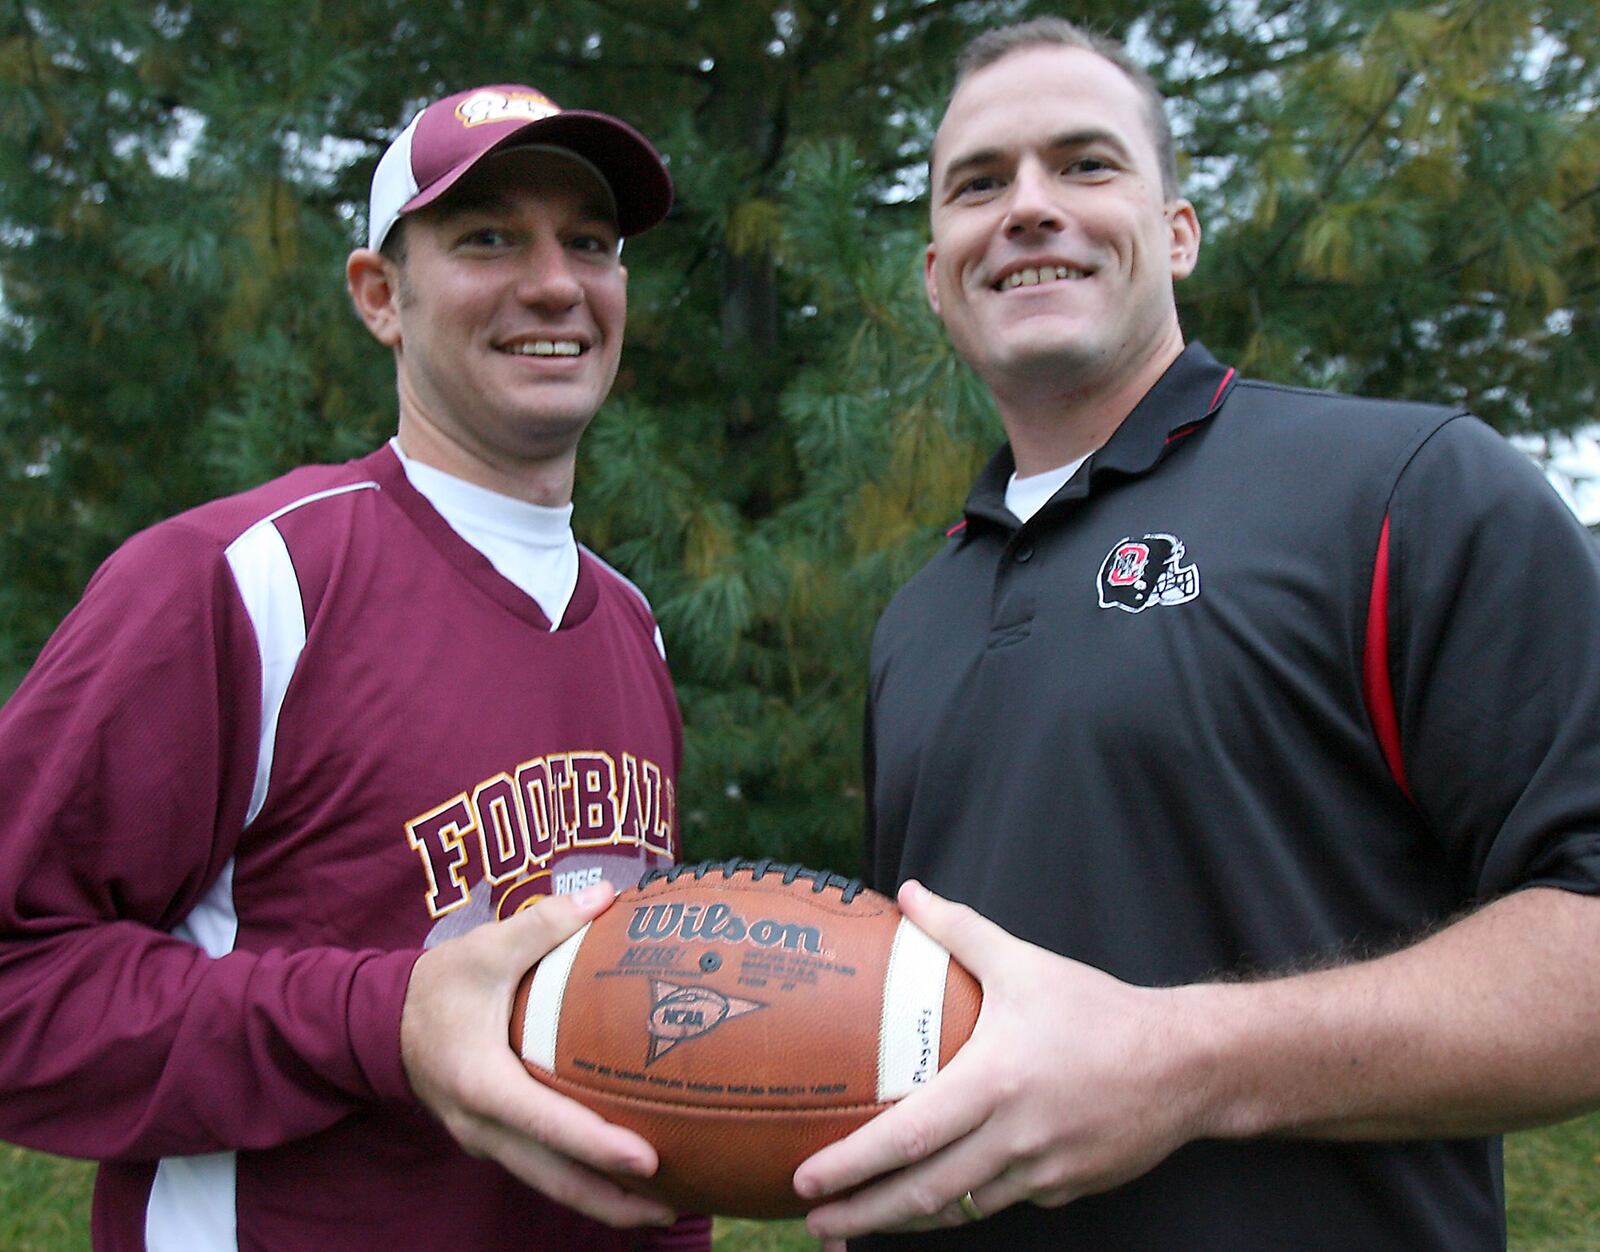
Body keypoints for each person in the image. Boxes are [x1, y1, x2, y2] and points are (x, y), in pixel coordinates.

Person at [792, 18, 1600, 1250]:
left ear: (1176, 232)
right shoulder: (918, 618)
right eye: (977, 184)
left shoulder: (1404, 488)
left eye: (1084, 164)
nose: (1026, 207)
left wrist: (1183, 1061)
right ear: (935, 271)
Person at [0, 84, 711, 1251]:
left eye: (589, 243)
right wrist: (385, 1023)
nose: (554, 282)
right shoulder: (241, 582)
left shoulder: (633, 623)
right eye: (487, 237)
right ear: (381, 296)